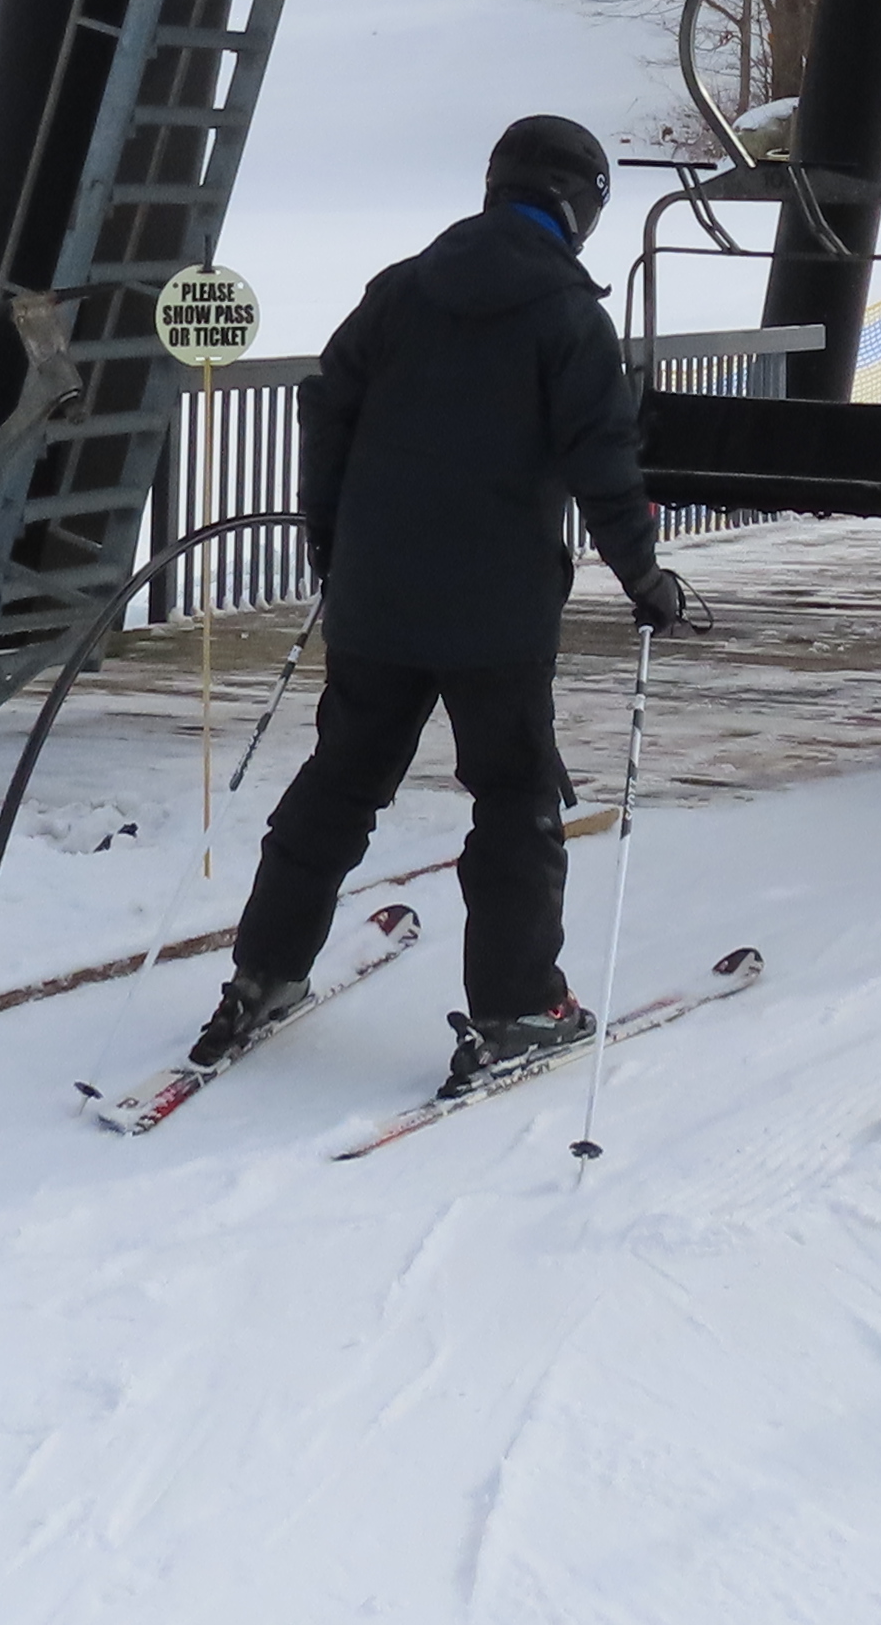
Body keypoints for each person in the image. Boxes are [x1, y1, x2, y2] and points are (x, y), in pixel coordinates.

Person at [201, 112, 691, 1098]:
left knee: (341, 783)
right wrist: (647, 581)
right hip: (496, 613)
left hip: (376, 595)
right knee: (513, 799)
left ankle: (263, 974)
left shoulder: (400, 290)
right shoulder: (568, 317)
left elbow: (326, 408)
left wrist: (333, 543)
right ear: (580, 207)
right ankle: (519, 1007)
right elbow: (603, 460)